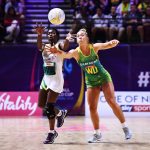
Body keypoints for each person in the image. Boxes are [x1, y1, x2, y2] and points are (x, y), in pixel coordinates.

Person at [49, 28, 132, 143]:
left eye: (82, 35)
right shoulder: (75, 52)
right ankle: (97, 134)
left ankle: (125, 128)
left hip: (104, 78)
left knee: (111, 102)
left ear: (87, 38)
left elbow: (106, 45)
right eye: (78, 36)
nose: (80, 37)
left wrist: (112, 43)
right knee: (92, 108)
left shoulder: (94, 47)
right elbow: (65, 55)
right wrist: (55, 51)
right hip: (91, 81)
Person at [34, 23, 71, 144]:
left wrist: (67, 39)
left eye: (53, 33)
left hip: (56, 80)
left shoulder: (58, 45)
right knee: (41, 105)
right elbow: (39, 47)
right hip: (46, 79)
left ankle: (51, 133)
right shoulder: (44, 46)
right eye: (49, 33)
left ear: (56, 35)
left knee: (49, 107)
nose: (50, 34)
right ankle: (61, 112)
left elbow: (65, 47)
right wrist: (39, 35)